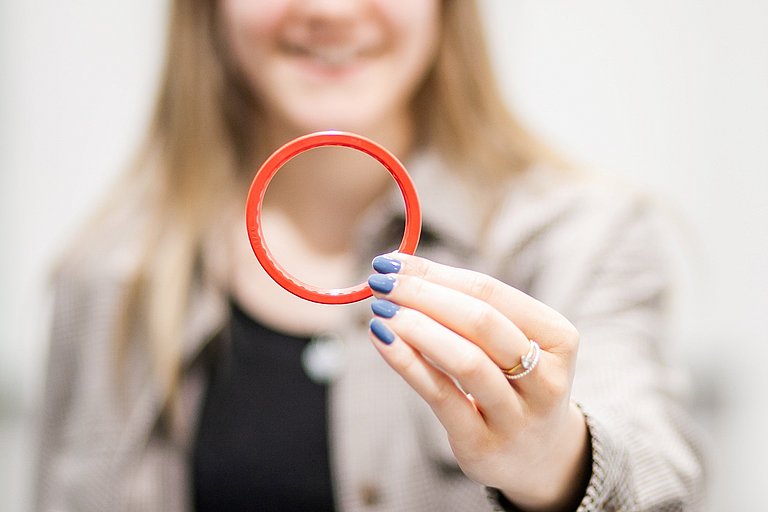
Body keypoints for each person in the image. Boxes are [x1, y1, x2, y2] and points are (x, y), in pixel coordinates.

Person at [33, 0, 706, 510]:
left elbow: (657, 470)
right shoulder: (107, 276)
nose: (330, 10)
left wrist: (556, 463)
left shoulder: (581, 237)